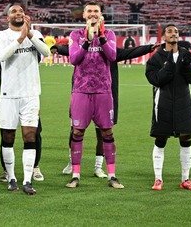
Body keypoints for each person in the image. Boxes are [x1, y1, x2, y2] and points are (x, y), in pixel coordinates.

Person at [57, 41, 158, 176]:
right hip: (82, 94)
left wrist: (149, 48)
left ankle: (98, 166)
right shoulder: (84, 46)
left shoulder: (111, 51)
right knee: (75, 130)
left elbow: (130, 52)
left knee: (102, 131)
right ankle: (72, 161)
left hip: (104, 96)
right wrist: (56, 47)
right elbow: (69, 50)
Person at [66, 1, 122, 189]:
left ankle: (112, 175)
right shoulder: (76, 35)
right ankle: (75, 175)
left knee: (107, 131)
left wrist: (101, 36)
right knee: (77, 131)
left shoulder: (110, 35)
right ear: (84, 15)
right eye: (89, 11)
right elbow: (74, 59)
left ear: (101, 15)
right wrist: (88, 41)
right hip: (81, 91)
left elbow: (113, 56)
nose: (92, 14)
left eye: (96, 11)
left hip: (103, 91)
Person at [0, 5, 50, 195]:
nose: (18, 14)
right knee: (7, 137)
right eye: (13, 12)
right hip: (8, 95)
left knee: (29, 137)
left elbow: (46, 52)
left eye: (20, 11)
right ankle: (11, 178)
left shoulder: (36, 34)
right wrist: (20, 38)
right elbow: (2, 56)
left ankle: (27, 180)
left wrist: (30, 35)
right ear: (7, 17)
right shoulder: (2, 36)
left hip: (30, 94)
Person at [145, 24, 191, 191]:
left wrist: (186, 66)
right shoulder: (155, 59)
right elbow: (156, 80)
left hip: (184, 102)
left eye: (176, 31)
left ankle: (186, 180)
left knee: (186, 139)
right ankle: (158, 179)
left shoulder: (186, 55)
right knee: (161, 140)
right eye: (169, 31)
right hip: (163, 103)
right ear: (163, 37)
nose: (173, 34)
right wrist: (170, 64)